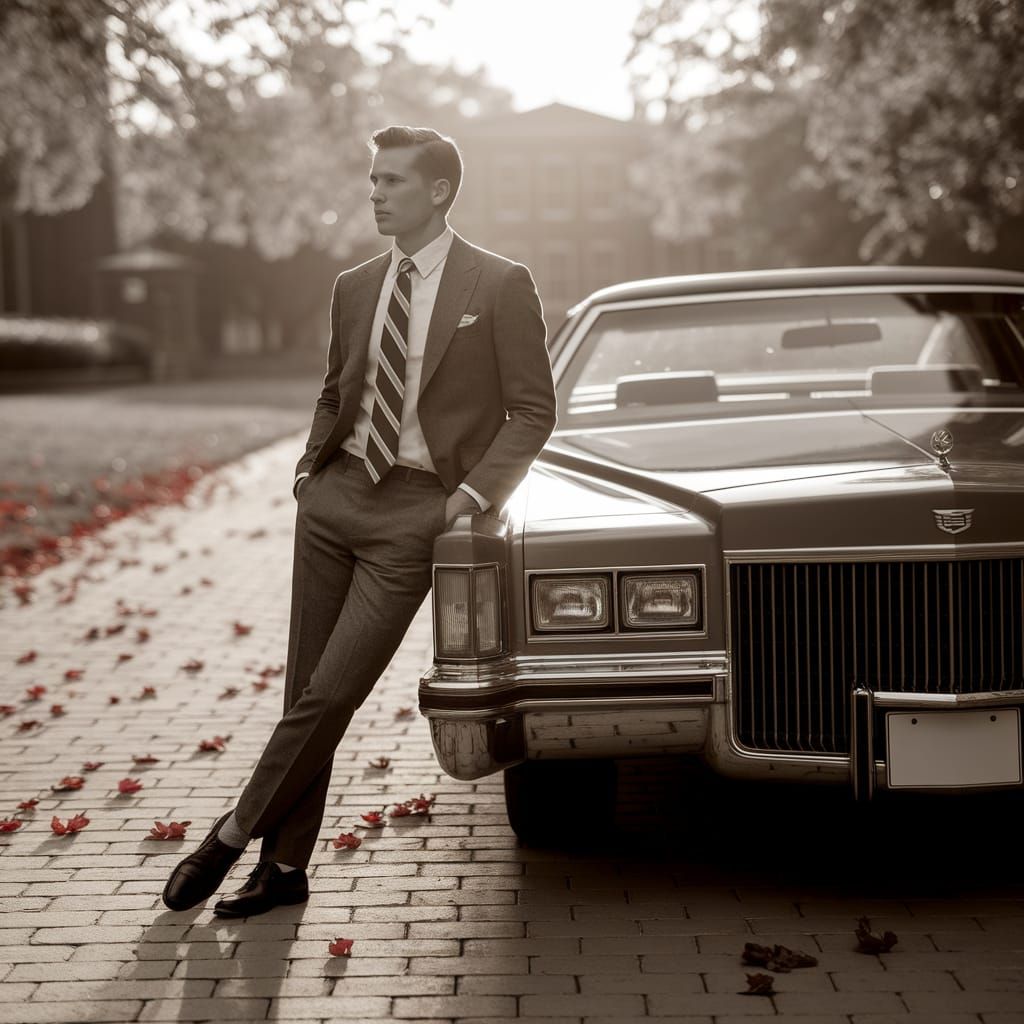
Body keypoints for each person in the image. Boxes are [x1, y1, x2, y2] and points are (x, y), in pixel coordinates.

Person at [162, 125, 557, 916]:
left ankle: (232, 834)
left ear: (439, 191)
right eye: (373, 179)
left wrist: (466, 500)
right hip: (336, 500)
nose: (375, 192)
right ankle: (285, 869)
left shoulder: (499, 282)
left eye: (393, 181)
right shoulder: (353, 286)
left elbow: (532, 409)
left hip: (418, 512)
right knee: (304, 692)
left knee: (333, 692)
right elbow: (336, 390)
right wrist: (311, 468)